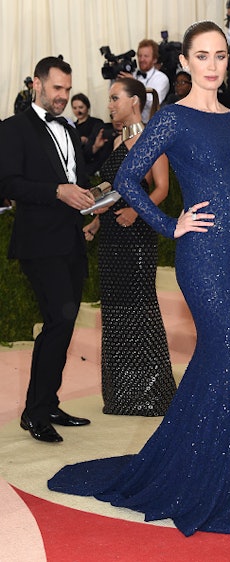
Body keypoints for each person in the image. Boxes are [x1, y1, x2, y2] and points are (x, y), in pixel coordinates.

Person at [48, 21, 230, 537]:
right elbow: (129, 178)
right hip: (207, 258)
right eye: (203, 56)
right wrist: (170, 225)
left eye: (221, 56)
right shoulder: (173, 119)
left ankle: (227, 472)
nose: (214, 65)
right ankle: (211, 480)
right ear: (186, 64)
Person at [0, 56, 95, 443]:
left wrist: (94, 208)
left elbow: (79, 179)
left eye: (68, 90)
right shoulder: (13, 128)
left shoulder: (69, 131)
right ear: (36, 85)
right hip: (39, 243)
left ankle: (47, 401)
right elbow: (8, 183)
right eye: (57, 88)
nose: (63, 96)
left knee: (66, 323)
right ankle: (34, 413)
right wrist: (58, 191)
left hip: (72, 237)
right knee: (58, 322)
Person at [83, 78, 176, 416]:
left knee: (140, 309)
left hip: (136, 240)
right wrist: (95, 219)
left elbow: (162, 188)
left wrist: (137, 211)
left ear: (134, 101)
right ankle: (123, 395)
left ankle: (154, 393)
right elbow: (113, 190)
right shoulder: (118, 142)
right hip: (110, 240)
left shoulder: (152, 140)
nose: (109, 105)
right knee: (116, 312)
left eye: (114, 98)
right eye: (109, 99)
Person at [120, 39, 170, 122]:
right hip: (130, 125)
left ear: (154, 59)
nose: (142, 59)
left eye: (146, 56)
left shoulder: (161, 78)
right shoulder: (133, 74)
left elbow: (152, 103)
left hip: (150, 125)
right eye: (139, 56)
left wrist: (134, 85)